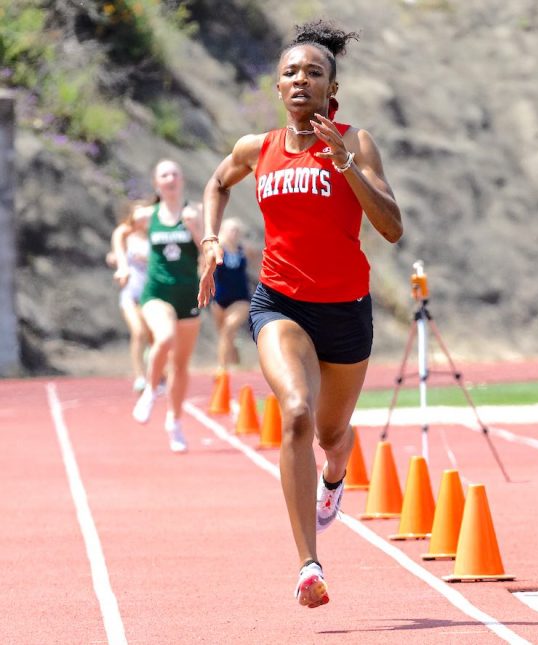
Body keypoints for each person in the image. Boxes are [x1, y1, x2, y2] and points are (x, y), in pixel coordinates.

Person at [197, 20, 403, 608]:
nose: (300, 80)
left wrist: (345, 164)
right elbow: (216, 182)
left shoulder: (355, 142)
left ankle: (334, 480)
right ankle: (308, 564)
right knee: (294, 416)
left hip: (345, 310)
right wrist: (210, 241)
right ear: (278, 85)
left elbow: (391, 228)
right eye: (290, 72)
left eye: (314, 72)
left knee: (333, 436)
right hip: (280, 302)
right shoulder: (256, 148)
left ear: (331, 89)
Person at [124, 159, 204, 453]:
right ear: (157, 183)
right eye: (164, 175)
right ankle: (149, 388)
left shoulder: (194, 212)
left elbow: (207, 248)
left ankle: (174, 421)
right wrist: (122, 264)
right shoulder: (147, 216)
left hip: (188, 295)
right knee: (164, 337)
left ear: (181, 180)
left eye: (175, 173)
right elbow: (120, 234)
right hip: (156, 293)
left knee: (181, 366)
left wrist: (195, 229)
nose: (170, 178)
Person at [108, 200, 152, 393]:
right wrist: (116, 262)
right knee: (138, 332)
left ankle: (157, 372)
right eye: (138, 215)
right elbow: (115, 254)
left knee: (154, 337)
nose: (142, 219)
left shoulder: (155, 237)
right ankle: (139, 376)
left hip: (151, 293)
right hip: (130, 292)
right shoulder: (126, 236)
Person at [211, 217, 260, 375]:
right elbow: (204, 264)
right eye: (231, 230)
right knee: (225, 334)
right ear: (223, 231)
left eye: (237, 230)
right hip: (219, 298)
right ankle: (235, 356)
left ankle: (222, 368)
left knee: (228, 329)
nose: (234, 233)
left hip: (240, 297)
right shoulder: (217, 249)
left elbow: (259, 259)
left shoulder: (244, 249)